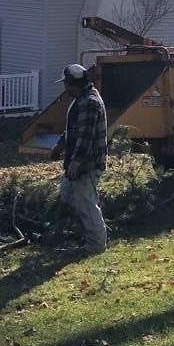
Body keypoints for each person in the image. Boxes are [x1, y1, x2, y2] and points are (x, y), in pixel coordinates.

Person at [50, 64, 108, 254]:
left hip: (88, 163)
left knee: (87, 204)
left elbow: (85, 138)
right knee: (67, 194)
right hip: (78, 161)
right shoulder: (79, 99)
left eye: (66, 84)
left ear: (74, 84)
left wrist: (76, 163)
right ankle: (82, 232)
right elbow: (73, 130)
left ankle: (96, 246)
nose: (65, 88)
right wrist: (60, 145)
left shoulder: (89, 102)